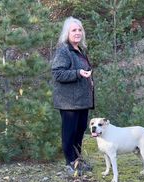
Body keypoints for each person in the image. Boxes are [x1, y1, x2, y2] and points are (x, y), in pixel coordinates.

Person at [51, 16, 94, 174]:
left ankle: (78, 162)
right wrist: (78, 73)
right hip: (69, 103)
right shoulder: (64, 50)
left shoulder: (79, 50)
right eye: (74, 30)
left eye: (80, 30)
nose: (77, 32)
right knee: (69, 134)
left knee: (79, 132)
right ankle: (70, 164)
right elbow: (57, 73)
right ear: (67, 33)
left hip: (82, 101)